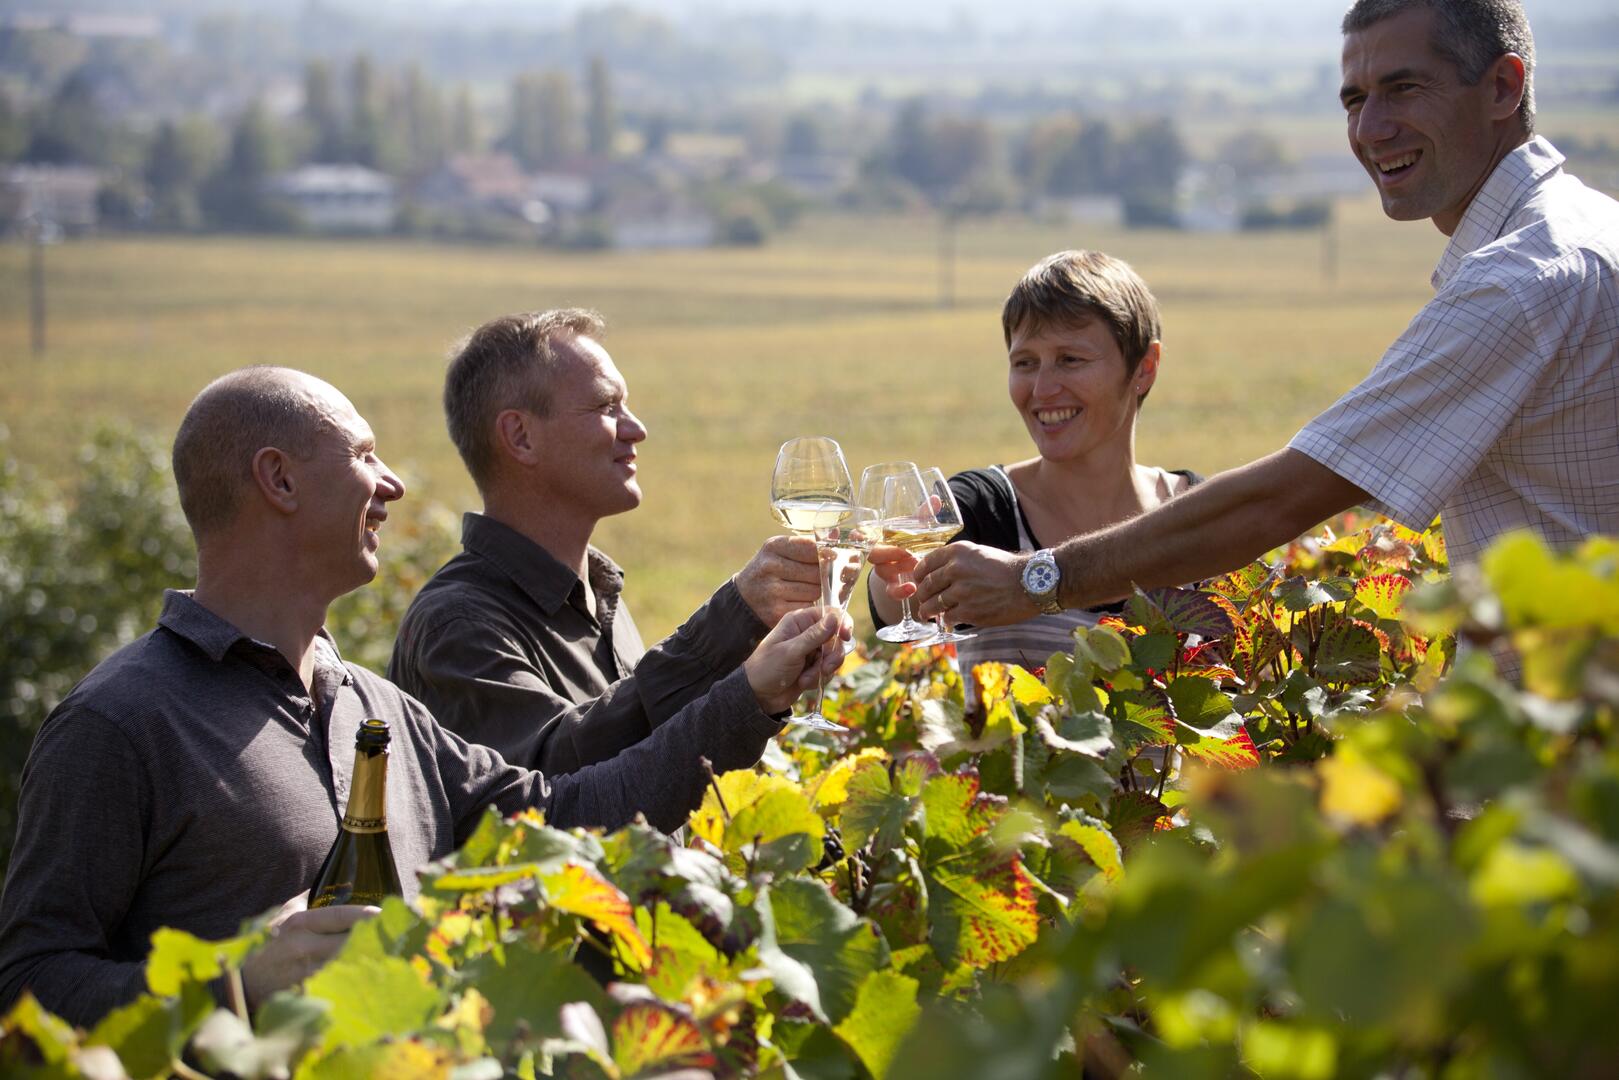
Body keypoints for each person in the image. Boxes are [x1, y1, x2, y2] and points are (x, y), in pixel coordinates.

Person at [0, 367, 844, 1028]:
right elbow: (24, 989)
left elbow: (571, 816)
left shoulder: (374, 709)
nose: (393, 483)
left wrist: (750, 694)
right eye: (364, 456)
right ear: (279, 480)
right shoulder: (120, 722)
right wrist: (234, 982)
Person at [906, 0, 1618, 647]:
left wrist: (1038, 579)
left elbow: (1283, 499)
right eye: (1354, 100)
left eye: (1404, 88)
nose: (1370, 129)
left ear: (1502, 87)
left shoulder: (1517, 282)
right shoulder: (1589, 230)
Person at [388, 309, 821, 774]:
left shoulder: (596, 595)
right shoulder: (458, 624)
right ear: (520, 436)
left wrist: (757, 685)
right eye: (606, 407)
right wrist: (730, 618)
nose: (636, 429)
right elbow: (556, 784)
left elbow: (649, 756)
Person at [868, 250, 1201, 674]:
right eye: (1025, 363)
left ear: (1144, 368)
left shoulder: (1198, 513)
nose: (1042, 389)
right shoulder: (980, 507)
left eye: (1070, 360)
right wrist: (897, 581)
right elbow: (896, 611)